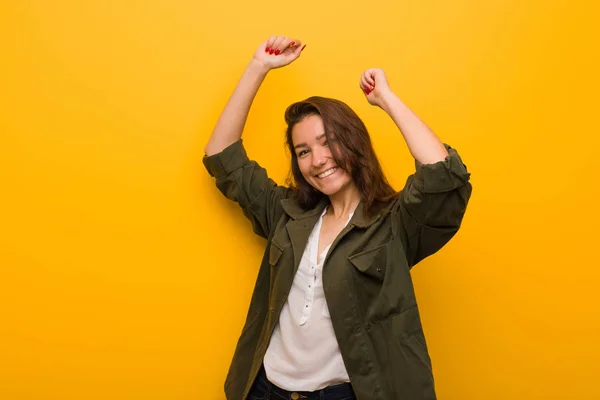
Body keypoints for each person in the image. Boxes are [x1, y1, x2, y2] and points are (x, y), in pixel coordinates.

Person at [203, 35, 472, 400]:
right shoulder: (287, 213)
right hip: (266, 390)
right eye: (303, 151)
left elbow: (443, 175)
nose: (318, 159)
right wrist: (258, 67)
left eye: (329, 141)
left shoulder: (394, 224)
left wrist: (386, 100)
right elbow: (222, 157)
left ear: (354, 141)